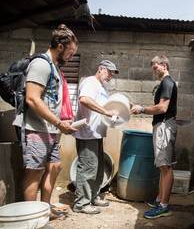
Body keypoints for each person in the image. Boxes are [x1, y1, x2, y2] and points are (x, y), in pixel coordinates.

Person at [12, 24, 78, 219]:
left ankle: (45, 211)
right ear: (60, 46)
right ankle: (30, 219)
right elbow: (32, 98)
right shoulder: (41, 64)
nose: (71, 57)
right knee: (34, 175)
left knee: (54, 168)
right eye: (70, 52)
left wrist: (62, 122)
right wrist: (58, 123)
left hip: (50, 131)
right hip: (36, 130)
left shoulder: (55, 67)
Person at [131, 55, 177, 219]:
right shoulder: (165, 83)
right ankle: (160, 200)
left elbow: (162, 108)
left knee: (165, 166)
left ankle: (164, 206)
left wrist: (142, 109)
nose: (153, 70)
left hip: (164, 125)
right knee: (162, 166)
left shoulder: (167, 82)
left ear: (164, 65)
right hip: (162, 126)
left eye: (155, 67)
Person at [72, 60, 119, 214]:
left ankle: (93, 197)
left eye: (112, 74)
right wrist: (106, 112)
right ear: (101, 69)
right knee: (88, 168)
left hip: (96, 133)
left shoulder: (102, 87)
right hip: (87, 133)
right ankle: (81, 204)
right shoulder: (90, 82)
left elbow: (106, 106)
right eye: (109, 72)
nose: (110, 76)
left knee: (97, 168)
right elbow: (84, 100)